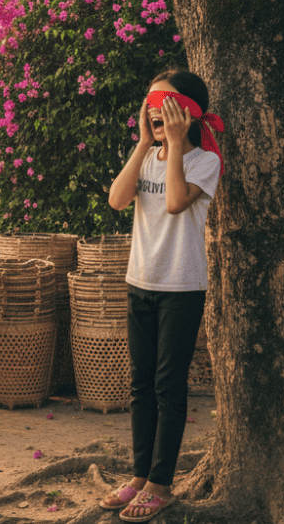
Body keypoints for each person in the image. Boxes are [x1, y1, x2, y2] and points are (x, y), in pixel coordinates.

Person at [103, 69, 223, 522]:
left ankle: (161, 484)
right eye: (152, 103)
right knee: (140, 386)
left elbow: (174, 201)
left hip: (181, 288)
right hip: (140, 283)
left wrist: (173, 145)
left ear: (189, 113)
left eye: (168, 105)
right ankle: (138, 476)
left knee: (168, 388)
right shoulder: (147, 156)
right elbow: (118, 199)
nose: (157, 111)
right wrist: (143, 144)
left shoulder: (204, 163)